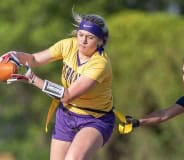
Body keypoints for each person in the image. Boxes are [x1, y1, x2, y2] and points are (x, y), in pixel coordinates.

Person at [0, 12, 115, 160]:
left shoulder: (100, 64)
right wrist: (14, 55)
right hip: (66, 115)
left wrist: (33, 79)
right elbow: (34, 59)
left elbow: (67, 95)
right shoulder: (68, 45)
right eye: (80, 34)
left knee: (73, 159)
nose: (83, 40)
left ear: (100, 41)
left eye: (90, 37)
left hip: (95, 118)